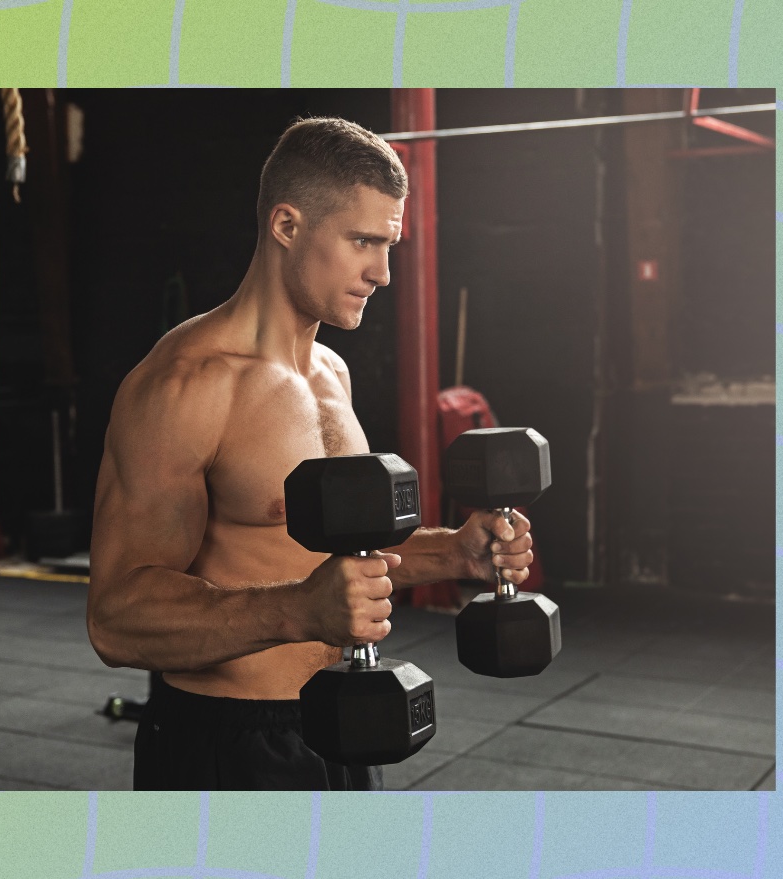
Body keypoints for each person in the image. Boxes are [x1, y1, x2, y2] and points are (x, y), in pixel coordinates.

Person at [87, 116, 535, 791]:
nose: (382, 272)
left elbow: (328, 566)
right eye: (362, 241)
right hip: (227, 742)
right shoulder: (186, 384)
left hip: (344, 720)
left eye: (389, 245)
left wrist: (453, 553)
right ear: (287, 225)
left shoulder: (331, 373)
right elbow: (116, 617)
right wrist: (297, 610)